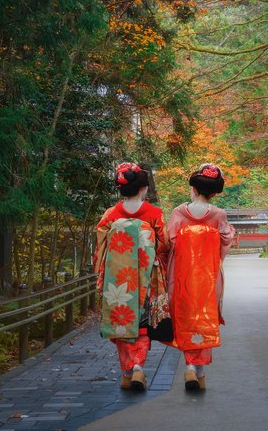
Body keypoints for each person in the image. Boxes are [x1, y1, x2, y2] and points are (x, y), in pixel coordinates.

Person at [94, 162, 166, 391]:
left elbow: (101, 246)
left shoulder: (111, 215)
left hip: (117, 279)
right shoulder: (154, 214)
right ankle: (138, 368)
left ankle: (127, 371)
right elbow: (164, 245)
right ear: (143, 188)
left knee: (121, 322)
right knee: (142, 324)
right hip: (145, 277)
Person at [163, 163, 235, 390]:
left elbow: (168, 242)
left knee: (185, 316)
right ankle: (198, 370)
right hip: (208, 275)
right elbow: (225, 242)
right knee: (205, 317)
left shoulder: (178, 213)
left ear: (193, 189)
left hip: (181, 275)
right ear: (213, 192)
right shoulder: (218, 215)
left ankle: (191, 368)